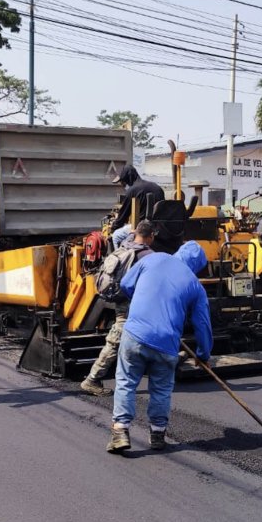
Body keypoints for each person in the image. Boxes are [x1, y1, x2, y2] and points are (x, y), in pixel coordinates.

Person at [107, 240, 213, 453]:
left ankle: (120, 431)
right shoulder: (195, 285)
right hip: (166, 343)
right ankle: (157, 434)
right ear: (197, 265)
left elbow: (126, 284)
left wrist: (142, 300)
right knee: (162, 389)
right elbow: (202, 324)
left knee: (126, 382)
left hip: (135, 334)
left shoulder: (152, 259)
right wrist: (203, 354)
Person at [80, 219, 156, 396]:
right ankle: (92, 379)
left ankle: (165, 362)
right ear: (151, 236)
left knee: (142, 335)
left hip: (119, 297)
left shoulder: (125, 244)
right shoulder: (146, 254)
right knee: (117, 339)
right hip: (131, 302)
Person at [109, 166, 165, 235]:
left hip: (142, 228)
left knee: (117, 236)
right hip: (160, 227)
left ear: (128, 179)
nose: (123, 185)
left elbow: (123, 216)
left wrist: (113, 229)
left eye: (123, 182)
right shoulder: (157, 187)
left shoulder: (132, 191)